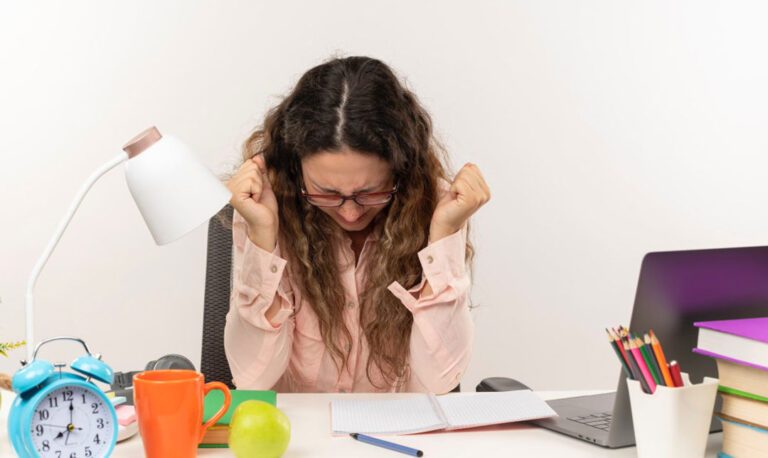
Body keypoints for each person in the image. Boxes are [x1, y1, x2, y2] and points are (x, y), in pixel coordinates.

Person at [224, 56, 490, 393]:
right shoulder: (265, 205)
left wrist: (444, 236)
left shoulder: (439, 207)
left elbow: (441, 379)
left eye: (370, 192)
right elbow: (252, 378)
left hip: (395, 438)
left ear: (402, 170)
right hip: (297, 438)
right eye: (326, 192)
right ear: (294, 169)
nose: (350, 213)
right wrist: (263, 238)